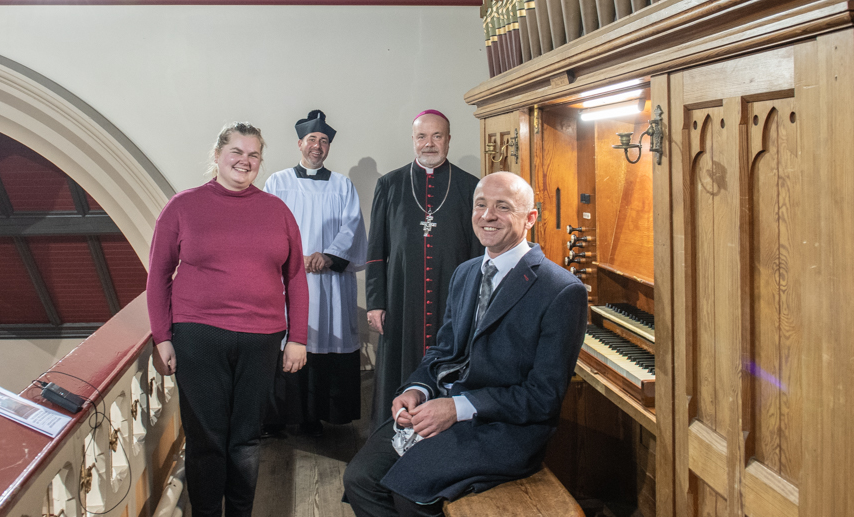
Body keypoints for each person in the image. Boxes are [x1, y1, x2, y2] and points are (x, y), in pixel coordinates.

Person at [343, 171, 589, 517]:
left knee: (408, 490)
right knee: (359, 478)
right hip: (444, 406)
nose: (488, 216)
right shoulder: (467, 272)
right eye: (481, 205)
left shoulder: (561, 290)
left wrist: (457, 408)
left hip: (501, 427)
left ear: (530, 218)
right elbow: (444, 352)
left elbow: (543, 398)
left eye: (503, 207)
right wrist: (418, 389)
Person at [146, 122, 308, 517]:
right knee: (206, 439)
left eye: (253, 155)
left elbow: (296, 278)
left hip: (262, 338)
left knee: (246, 441)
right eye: (237, 152)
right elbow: (157, 276)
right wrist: (162, 337)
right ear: (218, 156)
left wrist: (298, 338)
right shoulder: (182, 206)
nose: (245, 161)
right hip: (198, 337)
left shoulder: (277, 210)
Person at [366, 109, 484, 429]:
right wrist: (376, 302)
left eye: (436, 136)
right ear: (413, 140)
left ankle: (443, 429)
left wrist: (476, 303)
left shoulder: (470, 186)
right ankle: (391, 430)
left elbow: (477, 252)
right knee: (399, 364)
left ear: (448, 139)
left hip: (452, 297)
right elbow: (376, 249)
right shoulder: (389, 184)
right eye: (422, 137)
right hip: (402, 295)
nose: (428, 144)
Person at [262, 110, 368, 437]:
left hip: (331, 282)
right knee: (287, 341)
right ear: (299, 143)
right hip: (290, 278)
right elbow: (268, 227)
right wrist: (298, 257)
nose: (317, 146)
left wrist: (328, 255)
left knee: (326, 340)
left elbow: (352, 227)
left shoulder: (342, 185)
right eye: (312, 140)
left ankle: (317, 415)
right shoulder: (277, 183)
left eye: (324, 141)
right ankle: (280, 416)